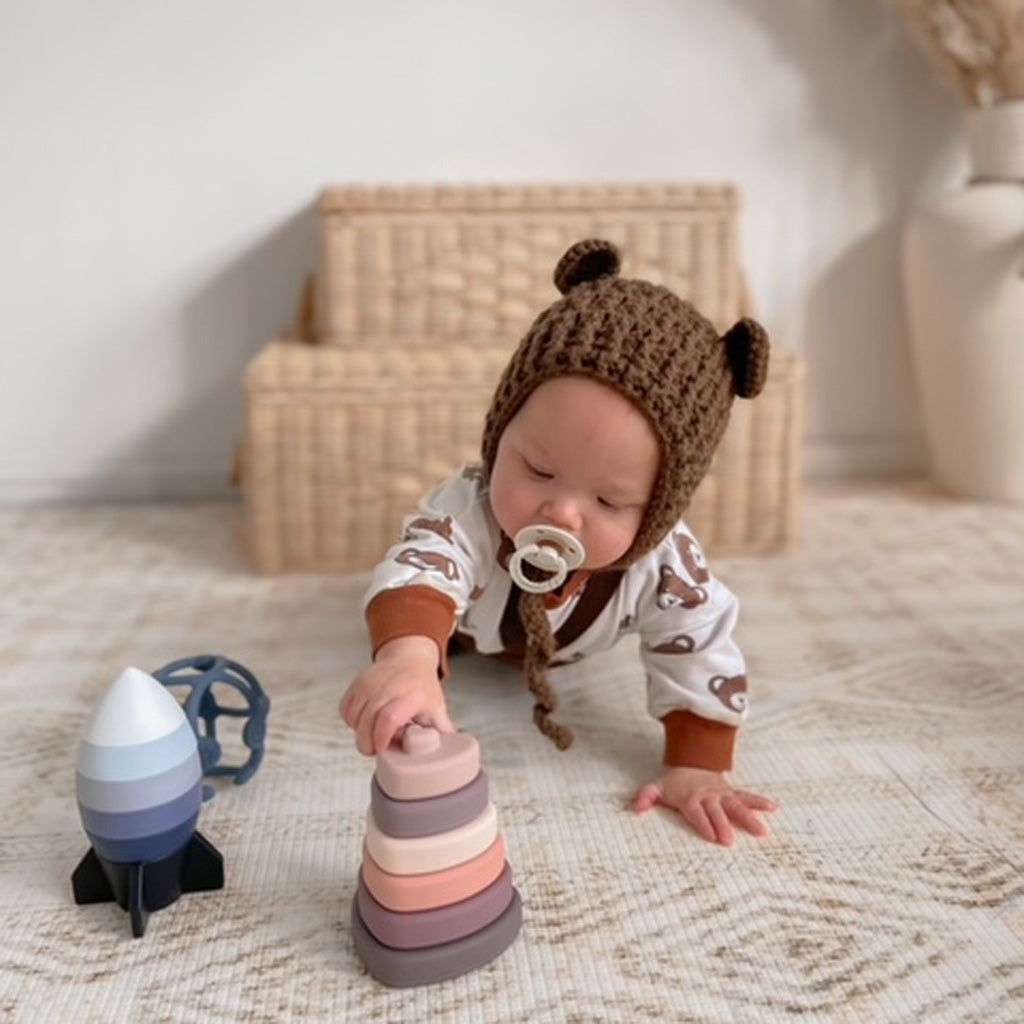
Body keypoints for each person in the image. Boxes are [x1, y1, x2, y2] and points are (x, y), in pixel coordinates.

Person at [340, 238, 778, 846]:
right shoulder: (468, 510)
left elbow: (699, 644)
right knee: (432, 609)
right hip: (464, 630)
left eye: (609, 502)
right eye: (539, 471)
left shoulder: (663, 565)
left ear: (659, 509)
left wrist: (698, 764)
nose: (563, 511)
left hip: (565, 650)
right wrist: (408, 656)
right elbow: (425, 565)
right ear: (501, 432)